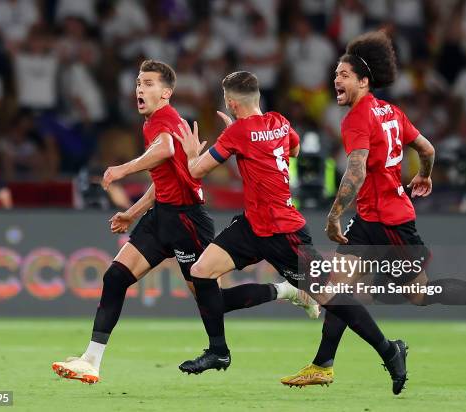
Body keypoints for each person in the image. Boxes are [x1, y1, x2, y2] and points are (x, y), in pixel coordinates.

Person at [282, 31, 466, 388]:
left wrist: (335, 213)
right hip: (372, 218)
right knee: (336, 286)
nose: (336, 79)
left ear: (364, 81)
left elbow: (355, 169)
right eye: (335, 73)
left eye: (344, 74)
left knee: (420, 295)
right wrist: (424, 176)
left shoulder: (357, 118)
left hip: (389, 223)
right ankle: (323, 364)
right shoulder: (392, 112)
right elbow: (427, 149)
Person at [51, 60, 318, 385]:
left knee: (212, 301)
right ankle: (91, 361)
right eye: (138, 82)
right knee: (115, 278)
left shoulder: (167, 120)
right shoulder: (151, 121)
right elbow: (164, 178)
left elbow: (164, 150)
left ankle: (287, 291)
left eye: (148, 83)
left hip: (187, 220)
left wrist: (122, 169)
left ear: (166, 92)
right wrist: (133, 213)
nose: (140, 88)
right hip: (161, 216)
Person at [173, 71, 409, 395]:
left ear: (229, 102)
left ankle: (389, 350)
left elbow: (196, 172)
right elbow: (294, 151)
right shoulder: (279, 122)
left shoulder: (238, 131)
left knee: (332, 297)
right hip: (253, 224)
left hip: (285, 231)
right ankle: (219, 351)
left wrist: (190, 152)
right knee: (201, 273)